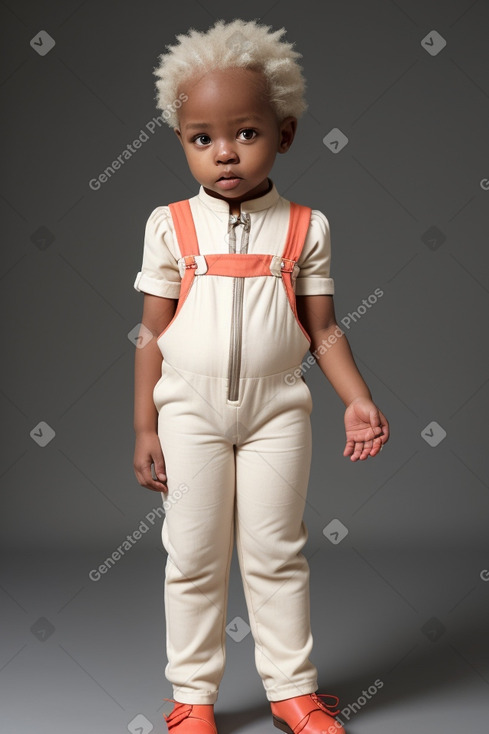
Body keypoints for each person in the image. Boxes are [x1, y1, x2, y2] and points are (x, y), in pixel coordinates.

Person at [133, 18, 389, 734]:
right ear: (181, 139)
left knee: (277, 553)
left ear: (285, 133)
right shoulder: (169, 226)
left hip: (278, 411)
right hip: (188, 411)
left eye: (245, 133)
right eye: (201, 137)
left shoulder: (306, 226)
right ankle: (192, 698)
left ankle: (292, 692)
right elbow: (150, 333)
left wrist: (356, 398)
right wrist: (145, 424)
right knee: (191, 556)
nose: (224, 153)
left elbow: (322, 328)